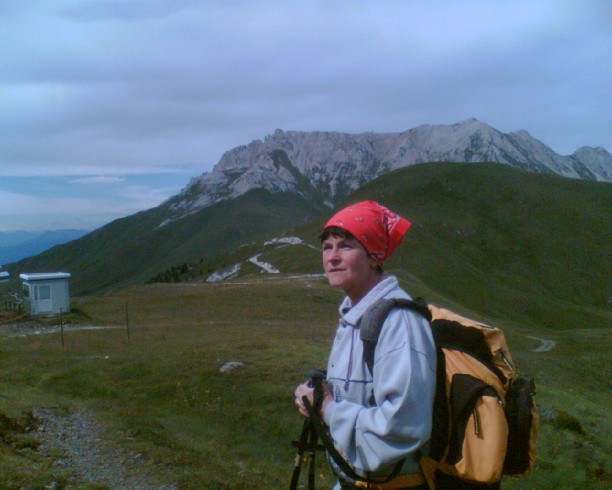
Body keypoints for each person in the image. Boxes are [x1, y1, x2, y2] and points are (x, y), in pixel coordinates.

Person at [294, 200, 436, 489]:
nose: (332, 257)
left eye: (345, 246)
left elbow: (401, 428)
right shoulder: (355, 314)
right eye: (326, 247)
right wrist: (317, 396)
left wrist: (327, 410)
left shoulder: (399, 322)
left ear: (373, 257)